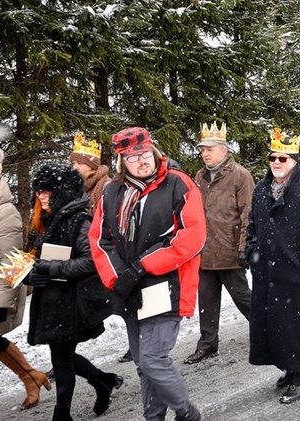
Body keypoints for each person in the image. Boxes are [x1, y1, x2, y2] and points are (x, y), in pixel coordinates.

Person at [89, 127, 205, 421]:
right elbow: (100, 240)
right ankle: (153, 418)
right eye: (131, 157)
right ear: (121, 163)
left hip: (167, 286)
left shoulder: (178, 184)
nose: (141, 161)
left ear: (154, 151)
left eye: (144, 153)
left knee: (153, 360)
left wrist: (143, 266)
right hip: (129, 289)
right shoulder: (112, 192)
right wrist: (118, 278)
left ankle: (187, 413)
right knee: (143, 363)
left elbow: (191, 237)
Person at [26, 165, 120, 421]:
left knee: (61, 356)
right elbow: (39, 261)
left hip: (71, 301)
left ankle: (62, 413)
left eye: (47, 192)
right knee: (61, 354)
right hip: (54, 300)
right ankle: (102, 380)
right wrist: (33, 274)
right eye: (39, 192)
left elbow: (91, 261)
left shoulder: (78, 220)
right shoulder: (50, 220)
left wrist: (51, 268)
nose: (41, 196)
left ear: (61, 192)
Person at [244, 128, 300, 404]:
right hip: (267, 272)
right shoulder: (261, 189)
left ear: (294, 161)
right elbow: (253, 226)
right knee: (273, 323)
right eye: (273, 158)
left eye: (283, 158)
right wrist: (251, 252)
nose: (277, 163)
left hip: (296, 274)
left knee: (297, 325)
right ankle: (287, 366)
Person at [185, 122, 255, 365]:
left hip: (229, 251)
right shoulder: (200, 176)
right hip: (204, 253)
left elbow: (249, 213)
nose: (205, 153)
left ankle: (267, 331)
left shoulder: (240, 175)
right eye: (202, 149)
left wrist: (244, 247)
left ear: (224, 150)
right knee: (207, 302)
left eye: (210, 149)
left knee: (243, 298)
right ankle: (207, 345)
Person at [68, 132, 134, 364]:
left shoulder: (105, 186)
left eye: (78, 163)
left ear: (90, 165)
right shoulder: (78, 188)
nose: (73, 167)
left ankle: (136, 343)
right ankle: (66, 356)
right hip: (88, 254)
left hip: (108, 252)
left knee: (123, 301)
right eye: (73, 163)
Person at [0, 149, 52, 411]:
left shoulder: (4, 211)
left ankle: (30, 376)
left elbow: (12, 260)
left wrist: (1, 303)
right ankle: (31, 376)